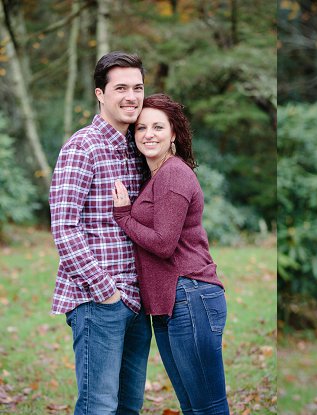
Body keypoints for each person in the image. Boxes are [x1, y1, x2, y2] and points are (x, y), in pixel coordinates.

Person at [111, 93, 230, 414]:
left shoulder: (173, 174)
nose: (148, 134)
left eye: (158, 127)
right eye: (141, 128)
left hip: (191, 297)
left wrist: (123, 216)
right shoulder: (157, 176)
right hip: (169, 303)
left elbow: (164, 243)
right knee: (191, 405)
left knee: (208, 406)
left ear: (174, 133)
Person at [50, 51, 152, 415]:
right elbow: (64, 228)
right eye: (120, 87)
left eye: (137, 87)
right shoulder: (82, 147)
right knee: (99, 407)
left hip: (138, 301)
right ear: (100, 93)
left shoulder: (136, 149)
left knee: (129, 407)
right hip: (99, 301)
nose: (131, 96)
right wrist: (105, 291)